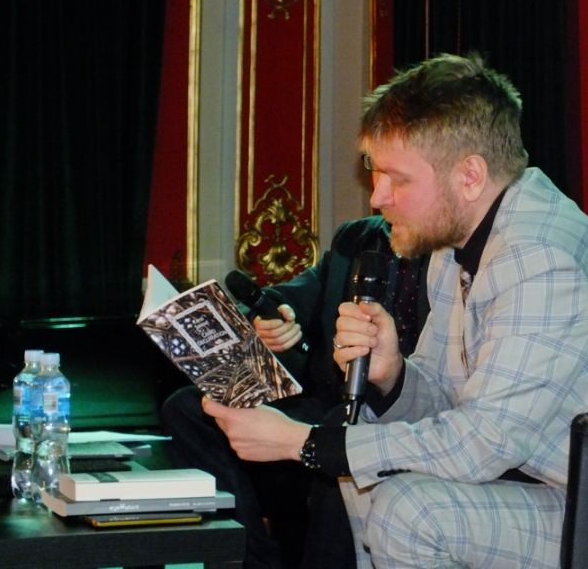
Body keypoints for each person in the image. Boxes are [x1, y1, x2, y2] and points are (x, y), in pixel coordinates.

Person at [203, 52, 588, 568]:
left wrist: (303, 443)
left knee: (407, 508)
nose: (377, 197)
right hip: (557, 490)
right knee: (368, 478)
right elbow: (444, 401)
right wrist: (394, 376)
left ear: (470, 176)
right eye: (375, 172)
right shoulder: (452, 249)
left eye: (397, 178)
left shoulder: (541, 257)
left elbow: (480, 444)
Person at [160, 215, 430, 569]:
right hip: (327, 402)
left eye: (393, 183)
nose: (380, 196)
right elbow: (293, 299)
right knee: (187, 408)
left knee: (340, 427)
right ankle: (248, 560)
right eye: (375, 182)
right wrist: (269, 320)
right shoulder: (357, 237)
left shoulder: (446, 247)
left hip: (395, 415)